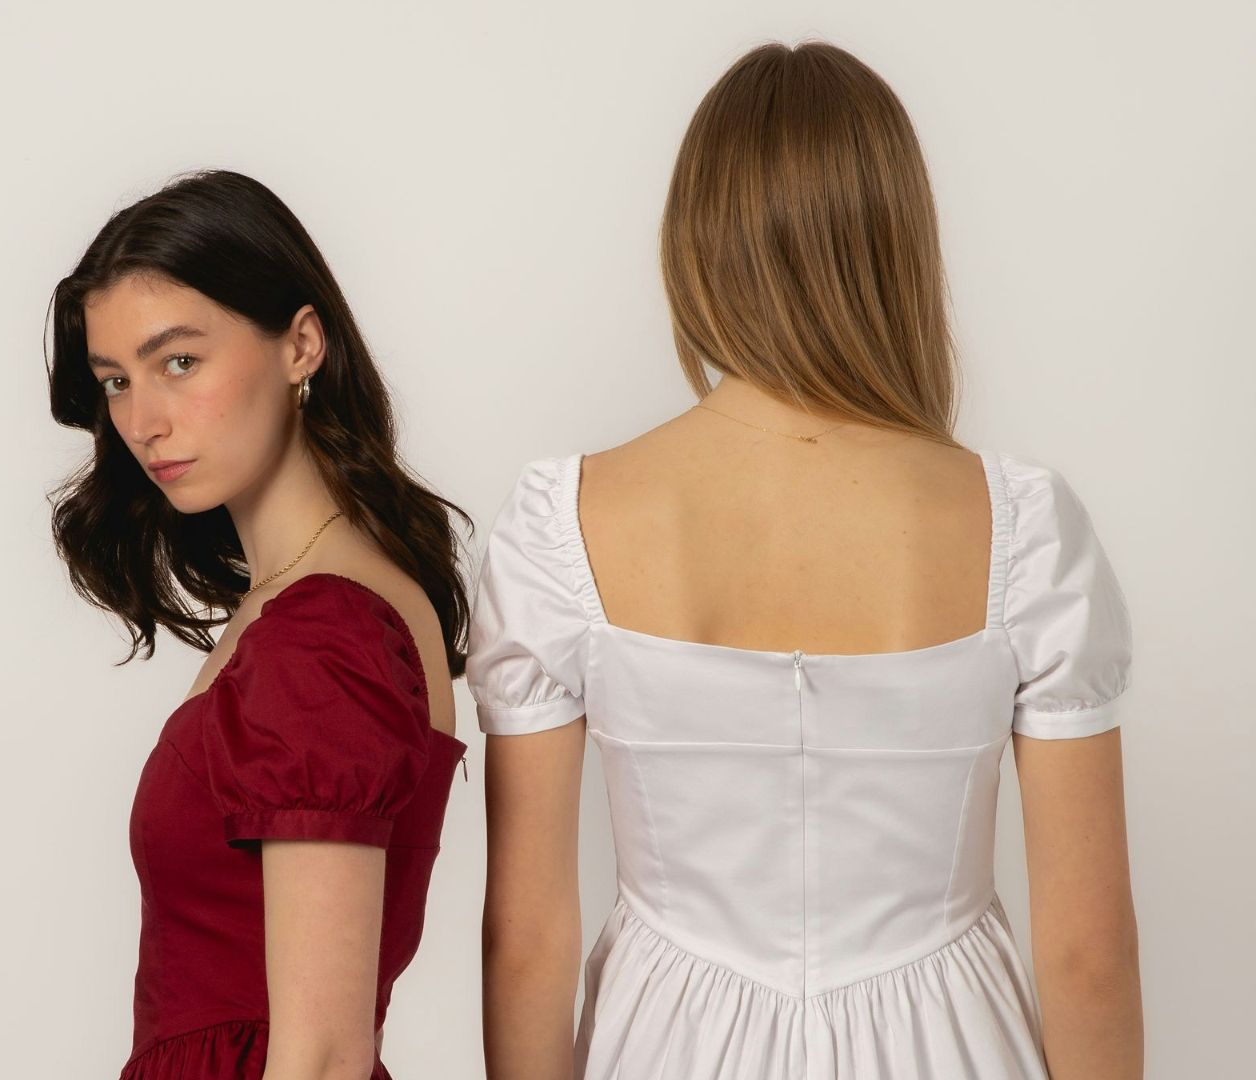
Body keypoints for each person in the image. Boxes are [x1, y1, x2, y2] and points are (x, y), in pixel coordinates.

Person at [469, 43, 1142, 1079]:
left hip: (665, 1047)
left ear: (695, 242)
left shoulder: (568, 524)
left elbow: (526, 944)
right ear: (894, 241)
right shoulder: (1023, 527)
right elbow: (1086, 956)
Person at [46, 169, 472, 1080]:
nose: (143, 420)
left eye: (180, 362)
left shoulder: (324, 632)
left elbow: (319, 1057)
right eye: (116, 380)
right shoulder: (299, 604)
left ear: (302, 345)